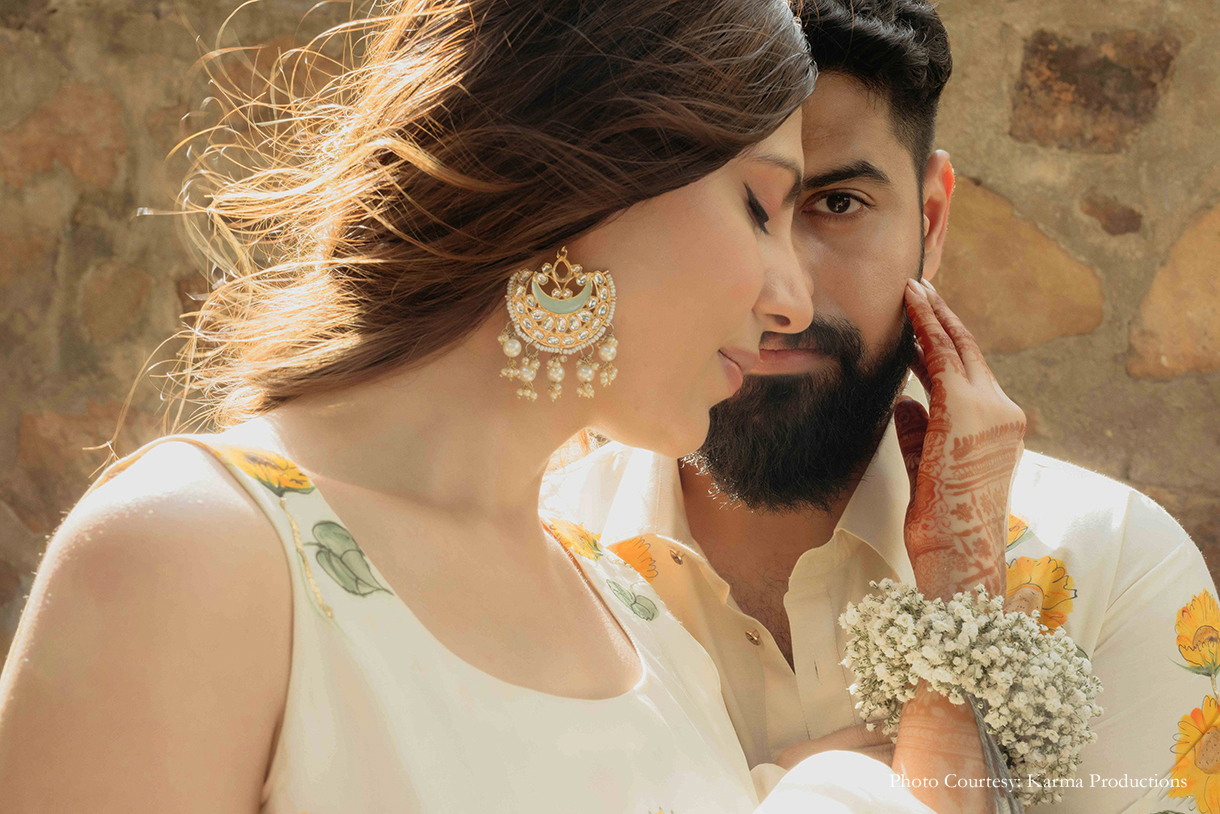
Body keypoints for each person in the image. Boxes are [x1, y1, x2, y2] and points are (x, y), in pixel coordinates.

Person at [0, 0, 1038, 812]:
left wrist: (955, 596)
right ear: (580, 184)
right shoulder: (198, 556)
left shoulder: (633, 623)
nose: (789, 294)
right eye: (760, 205)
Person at [540, 1, 1216, 811]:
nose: (781, 290)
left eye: (837, 205)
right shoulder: (538, 563)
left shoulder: (1110, 568)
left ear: (930, 221)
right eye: (732, 207)